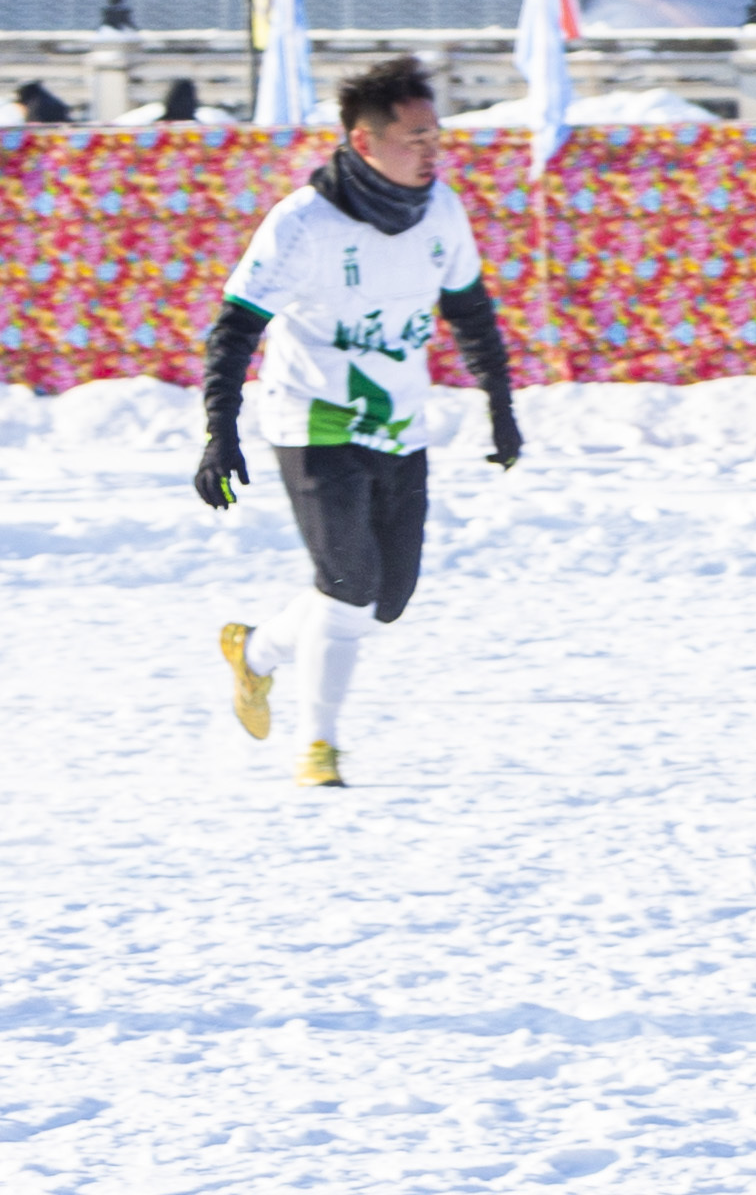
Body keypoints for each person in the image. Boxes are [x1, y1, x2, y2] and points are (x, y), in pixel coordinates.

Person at [193, 52, 522, 789]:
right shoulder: (303, 224)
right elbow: (234, 329)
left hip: (400, 423)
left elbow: (469, 312)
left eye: (437, 135)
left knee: (385, 599)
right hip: (313, 420)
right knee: (348, 582)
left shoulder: (441, 210)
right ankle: (320, 747)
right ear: (365, 142)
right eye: (416, 138)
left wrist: (500, 407)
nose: (433, 150)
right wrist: (221, 429)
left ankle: (255, 655)